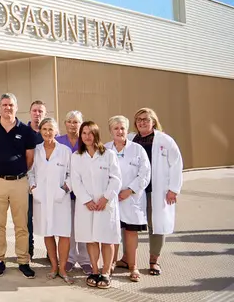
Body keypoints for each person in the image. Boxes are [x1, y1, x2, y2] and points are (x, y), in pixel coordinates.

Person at [0, 93, 36, 278]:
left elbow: (30, 158)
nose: (7, 108)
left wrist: (17, 171)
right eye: (4, 104)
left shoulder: (26, 131)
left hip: (20, 182)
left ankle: (23, 260)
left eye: (11, 104)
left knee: (22, 225)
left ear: (16, 107)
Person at [129, 108, 183, 276]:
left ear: (153, 121)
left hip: (156, 190)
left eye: (145, 119)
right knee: (129, 225)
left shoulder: (164, 140)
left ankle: (154, 260)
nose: (142, 122)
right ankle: (127, 258)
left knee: (156, 225)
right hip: (135, 190)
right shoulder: (131, 139)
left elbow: (176, 164)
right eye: (138, 119)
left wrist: (174, 189)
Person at [70, 121, 122, 289]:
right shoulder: (76, 157)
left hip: (105, 205)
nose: (87, 136)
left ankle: (105, 272)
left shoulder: (108, 154)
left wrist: (105, 198)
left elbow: (116, 179)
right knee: (91, 239)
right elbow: (75, 181)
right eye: (84, 133)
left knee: (106, 239)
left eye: (90, 133)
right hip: (87, 206)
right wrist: (86, 200)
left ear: (96, 134)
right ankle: (94, 270)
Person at [28, 118, 74, 284]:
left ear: (56, 131)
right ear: (40, 131)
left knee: (63, 233)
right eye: (44, 129)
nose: (47, 132)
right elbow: (30, 173)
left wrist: (64, 190)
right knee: (48, 232)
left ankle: (62, 268)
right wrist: (34, 189)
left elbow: (72, 175)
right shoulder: (36, 150)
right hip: (42, 197)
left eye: (51, 129)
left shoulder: (65, 151)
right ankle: (54, 267)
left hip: (61, 198)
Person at [105, 115, 150, 282]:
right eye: (116, 128)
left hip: (131, 199)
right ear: (110, 131)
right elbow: (101, 174)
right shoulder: (105, 149)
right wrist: (112, 192)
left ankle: (133, 266)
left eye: (122, 128)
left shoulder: (137, 149)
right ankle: (110, 264)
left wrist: (129, 190)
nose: (119, 131)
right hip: (113, 198)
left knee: (131, 232)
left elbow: (145, 173)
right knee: (113, 232)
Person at [56, 110, 91, 274]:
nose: (72, 124)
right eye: (69, 121)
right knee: (67, 228)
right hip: (64, 193)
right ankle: (69, 258)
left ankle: (85, 260)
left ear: (81, 124)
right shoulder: (58, 141)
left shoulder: (86, 141)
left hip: (83, 193)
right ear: (65, 124)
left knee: (84, 227)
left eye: (76, 122)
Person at [27, 100, 47, 259]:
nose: (37, 114)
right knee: (27, 218)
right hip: (27, 182)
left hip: (47, 184)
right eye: (34, 111)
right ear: (30, 113)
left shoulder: (50, 132)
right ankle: (28, 249)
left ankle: (51, 252)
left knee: (49, 217)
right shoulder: (22, 131)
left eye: (40, 111)